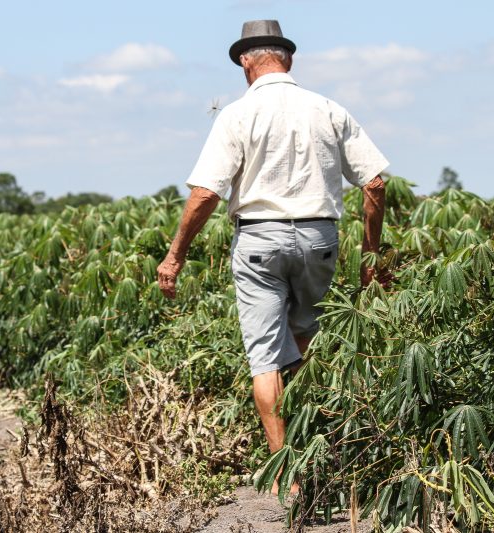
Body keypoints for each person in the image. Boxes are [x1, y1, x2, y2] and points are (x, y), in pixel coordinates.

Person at [156, 20, 389, 493]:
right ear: (288, 59)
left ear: (246, 63)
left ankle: (289, 473)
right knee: (304, 346)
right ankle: (318, 452)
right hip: (321, 238)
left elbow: (205, 194)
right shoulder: (327, 109)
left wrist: (175, 254)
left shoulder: (238, 115)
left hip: (259, 240)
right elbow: (376, 183)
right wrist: (371, 254)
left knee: (265, 360)